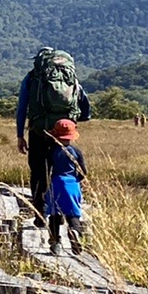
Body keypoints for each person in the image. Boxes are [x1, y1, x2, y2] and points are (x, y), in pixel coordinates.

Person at [16, 47, 90, 221]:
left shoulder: (33, 77)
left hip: (39, 130)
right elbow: (84, 101)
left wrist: (20, 135)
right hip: (63, 131)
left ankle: (40, 213)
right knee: (62, 169)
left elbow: (21, 109)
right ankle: (64, 210)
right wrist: (78, 119)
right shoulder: (69, 76)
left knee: (39, 171)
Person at [45, 118, 87, 253]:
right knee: (73, 214)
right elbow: (83, 172)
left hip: (56, 183)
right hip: (72, 185)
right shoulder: (76, 152)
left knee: (54, 215)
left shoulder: (52, 151)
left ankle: (55, 242)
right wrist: (76, 180)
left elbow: (47, 170)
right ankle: (75, 232)